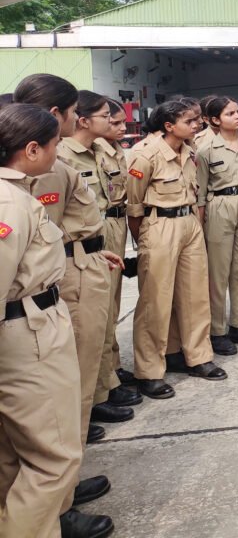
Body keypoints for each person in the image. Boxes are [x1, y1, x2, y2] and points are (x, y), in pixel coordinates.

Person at [10, 76, 119, 537]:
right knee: (57, 408)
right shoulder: (29, 173)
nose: (78, 121)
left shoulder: (54, 164)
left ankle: (60, 492)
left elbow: (81, 217)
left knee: (66, 398)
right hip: (40, 300)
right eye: (74, 113)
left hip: (65, 273)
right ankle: (56, 503)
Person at [126, 100, 227, 400]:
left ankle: (195, 356)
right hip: (159, 226)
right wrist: (144, 240)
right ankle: (149, 370)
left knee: (195, 295)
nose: (197, 125)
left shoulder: (190, 150)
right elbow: (134, 207)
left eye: (197, 120)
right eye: (190, 121)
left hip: (188, 222)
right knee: (156, 300)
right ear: (169, 125)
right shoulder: (145, 155)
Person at [56, 92, 138, 426]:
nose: (115, 122)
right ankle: (95, 393)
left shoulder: (102, 148)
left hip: (112, 230)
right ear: (84, 120)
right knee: (90, 321)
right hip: (86, 237)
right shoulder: (62, 155)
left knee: (109, 310)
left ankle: (108, 378)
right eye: (108, 116)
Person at [195, 96, 238, 354]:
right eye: (229, 114)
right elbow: (200, 191)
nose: (237, 117)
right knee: (218, 273)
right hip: (219, 206)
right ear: (215, 120)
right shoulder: (205, 150)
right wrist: (200, 223)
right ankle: (217, 330)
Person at [91, 99, 142, 401]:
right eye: (115, 122)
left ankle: (112, 365)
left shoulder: (117, 151)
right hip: (100, 229)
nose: (123, 127)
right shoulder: (91, 153)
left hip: (116, 226)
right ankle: (103, 380)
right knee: (102, 308)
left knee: (113, 302)